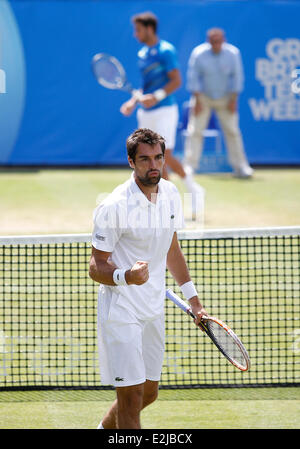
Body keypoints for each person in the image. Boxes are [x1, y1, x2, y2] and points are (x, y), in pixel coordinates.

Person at [89, 128, 207, 429]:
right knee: (131, 400)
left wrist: (193, 299)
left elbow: (172, 247)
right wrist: (125, 275)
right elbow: (96, 266)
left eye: (158, 158)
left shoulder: (170, 193)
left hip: (153, 308)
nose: (153, 166)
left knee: (149, 393)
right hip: (121, 308)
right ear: (131, 161)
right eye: (144, 159)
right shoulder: (113, 206)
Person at [120, 11, 204, 220]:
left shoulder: (166, 50)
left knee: (163, 156)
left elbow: (176, 81)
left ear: (149, 29)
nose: (135, 34)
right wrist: (133, 101)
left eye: (138, 30)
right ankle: (163, 207)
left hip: (165, 109)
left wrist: (156, 97)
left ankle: (191, 189)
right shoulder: (142, 54)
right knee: (154, 158)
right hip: (145, 112)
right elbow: (145, 86)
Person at [183, 28, 254, 178]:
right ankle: (189, 167)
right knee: (195, 131)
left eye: (219, 41)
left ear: (224, 40)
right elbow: (193, 77)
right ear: (208, 41)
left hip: (226, 98)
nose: (216, 44)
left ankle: (240, 166)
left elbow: (237, 77)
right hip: (202, 97)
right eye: (213, 41)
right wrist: (197, 100)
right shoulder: (199, 54)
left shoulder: (233, 53)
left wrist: (234, 99)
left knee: (233, 132)